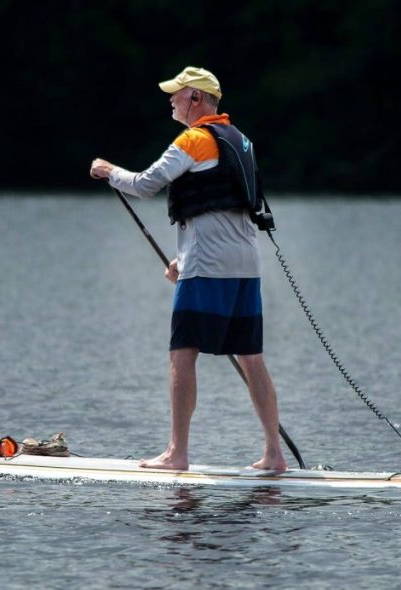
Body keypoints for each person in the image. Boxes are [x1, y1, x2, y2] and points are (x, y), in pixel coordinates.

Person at [89, 66, 287, 472]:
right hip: (245, 266)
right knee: (252, 357)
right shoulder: (240, 140)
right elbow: (226, 210)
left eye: (177, 94)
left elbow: (145, 183)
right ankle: (274, 454)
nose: (172, 101)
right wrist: (185, 259)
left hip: (208, 268)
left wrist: (109, 172)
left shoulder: (195, 139)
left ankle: (176, 454)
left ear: (196, 99)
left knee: (182, 355)